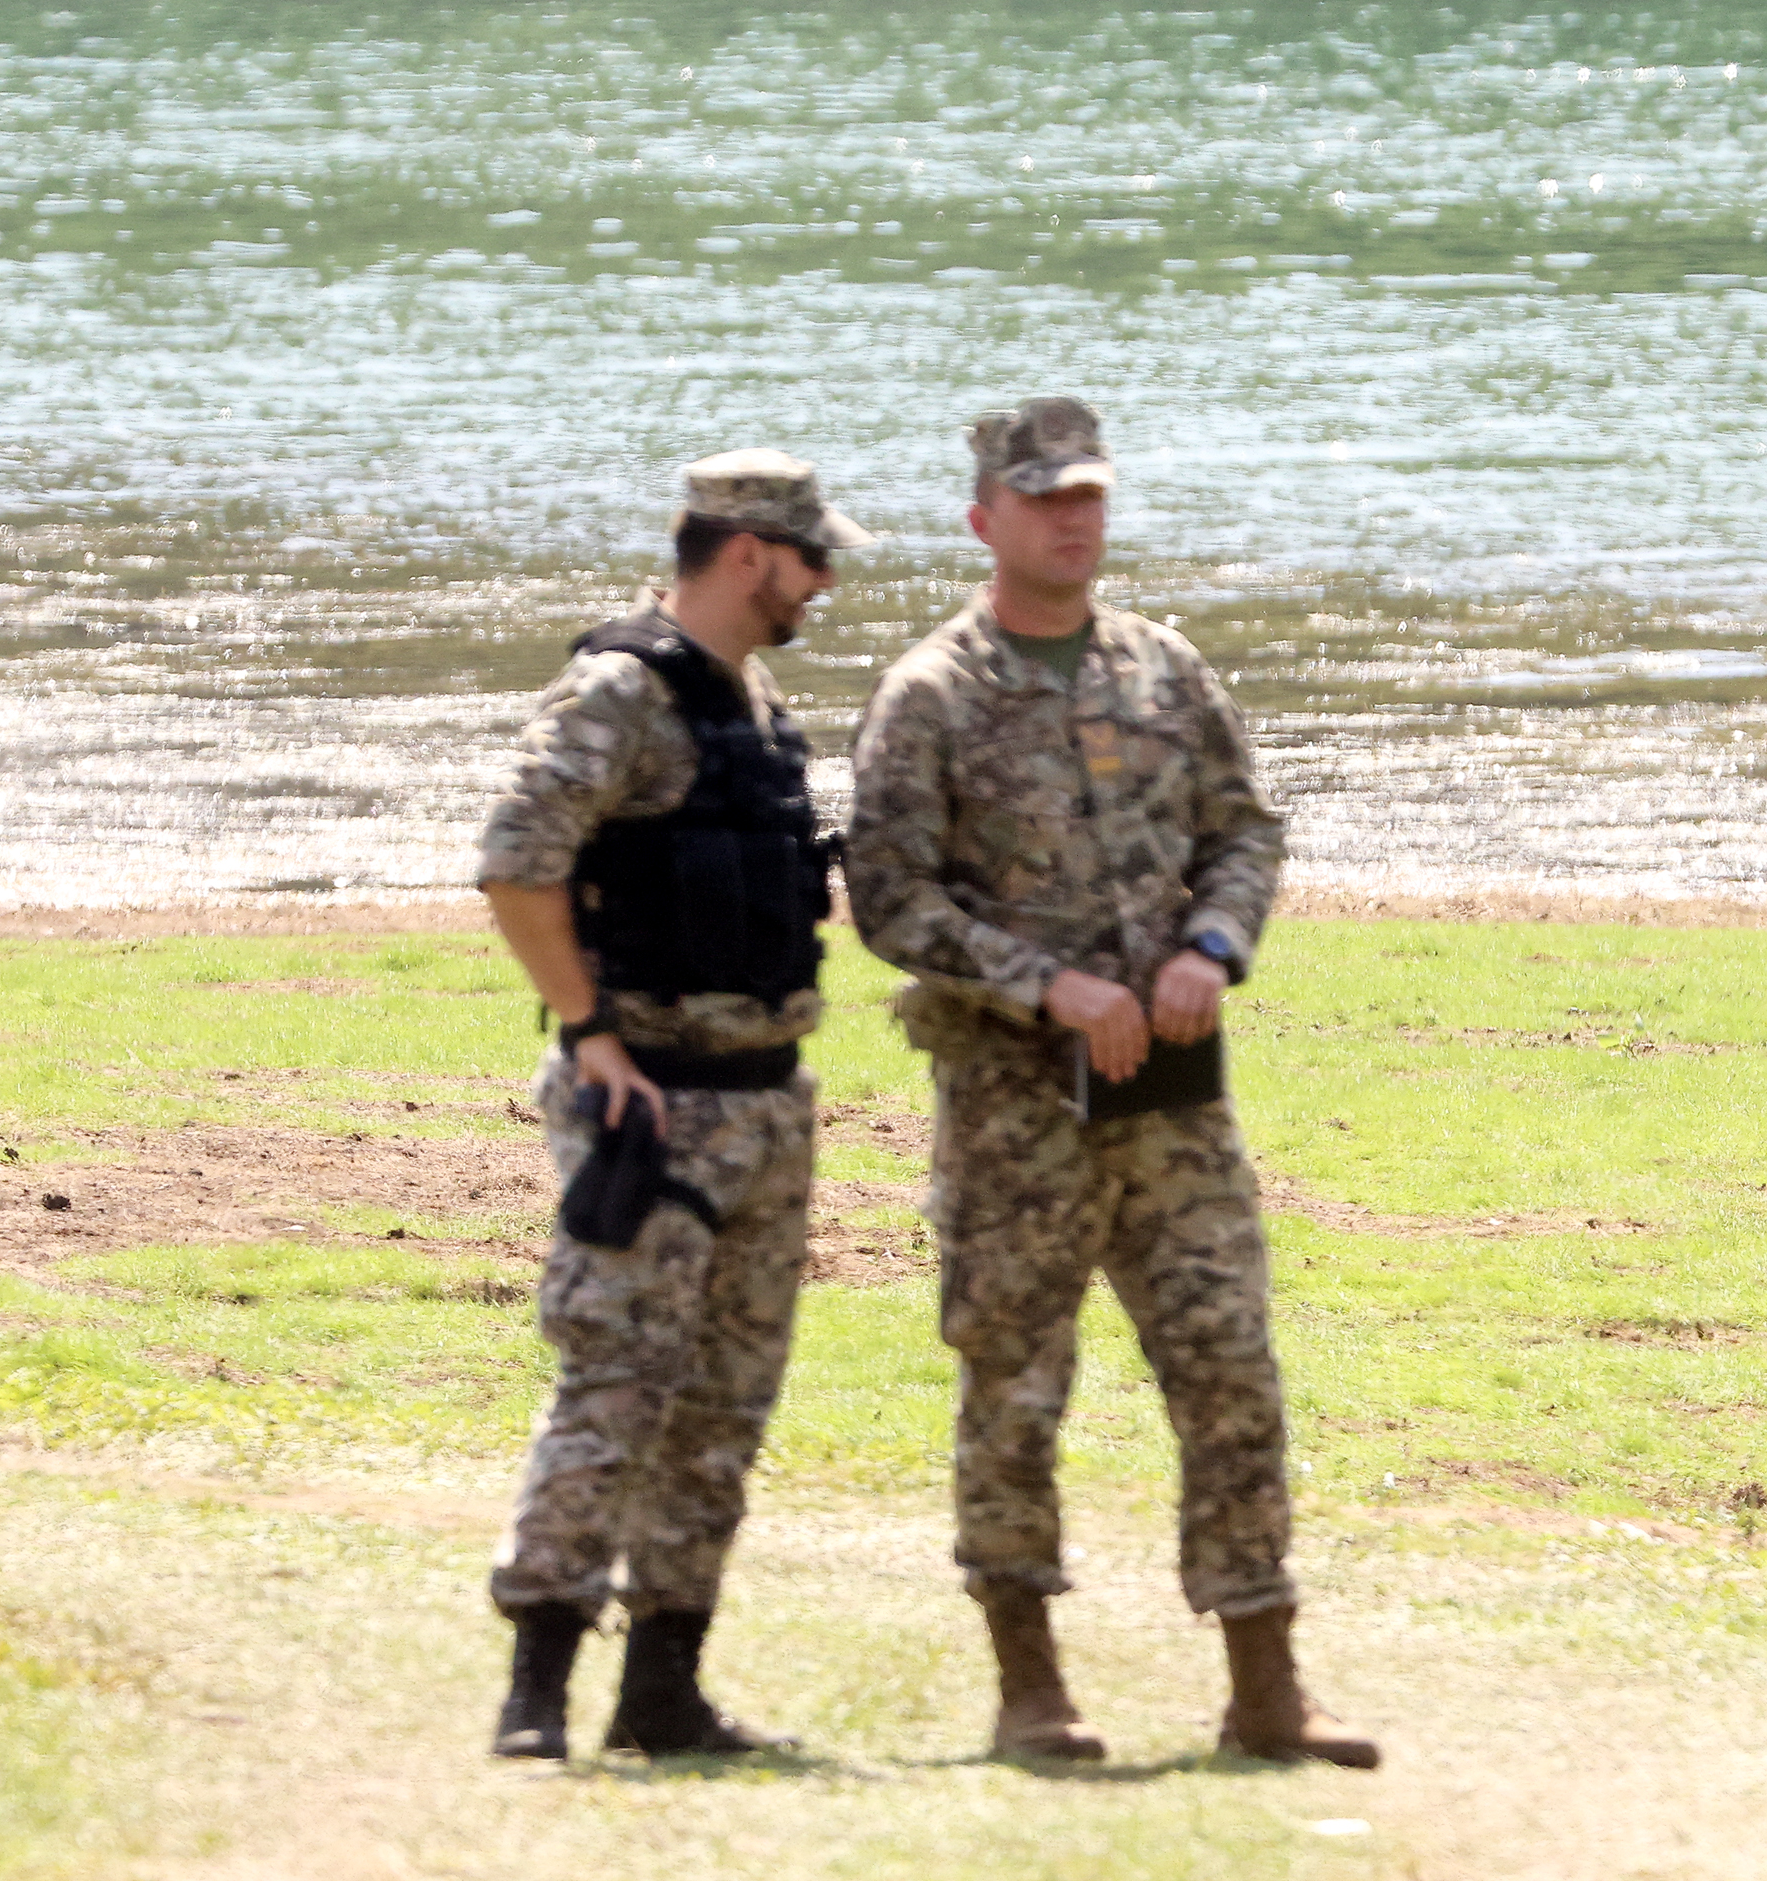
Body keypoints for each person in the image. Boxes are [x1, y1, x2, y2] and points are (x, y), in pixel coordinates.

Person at [846, 395, 1375, 1768]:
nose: (1072, 517)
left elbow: (1244, 830)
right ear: (984, 518)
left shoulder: (1162, 670)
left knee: (1230, 1368)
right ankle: (1030, 1686)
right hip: (1018, 1104)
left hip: (1175, 1102)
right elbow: (889, 896)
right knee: (1015, 1382)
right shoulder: (933, 693)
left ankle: (1267, 1681)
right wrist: (1043, 980)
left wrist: (1214, 940)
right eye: (1042, 498)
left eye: (1087, 494)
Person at [478, 449, 868, 1760]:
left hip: (767, 1102)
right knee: (619, 1383)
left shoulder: (754, 704)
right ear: (751, 550)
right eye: (815, 558)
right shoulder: (622, 690)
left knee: (724, 1403)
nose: (826, 581)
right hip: (650, 1102)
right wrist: (590, 1032)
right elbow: (515, 857)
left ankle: (664, 1688)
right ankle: (536, 1685)